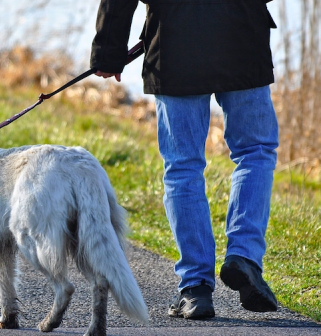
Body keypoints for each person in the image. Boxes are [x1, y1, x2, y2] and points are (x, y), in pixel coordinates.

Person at [90, 0, 279, 319]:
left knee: (183, 167)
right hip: (241, 34)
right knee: (254, 152)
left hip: (175, 40)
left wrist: (109, 50)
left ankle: (195, 289)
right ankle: (243, 256)